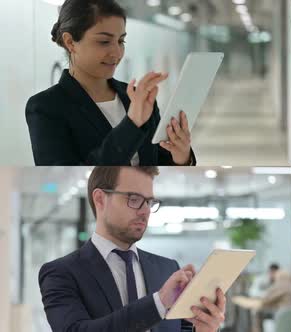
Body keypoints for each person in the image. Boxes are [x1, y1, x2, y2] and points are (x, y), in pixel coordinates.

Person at [38, 167, 224, 332]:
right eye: (134, 199)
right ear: (100, 199)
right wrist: (158, 303)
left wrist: (205, 329)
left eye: (149, 202)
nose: (145, 211)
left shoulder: (167, 269)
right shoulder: (61, 273)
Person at [26, 0, 196, 166]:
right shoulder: (45, 107)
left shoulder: (138, 99)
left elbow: (158, 163)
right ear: (70, 42)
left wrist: (181, 158)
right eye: (104, 42)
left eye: (121, 41)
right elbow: (71, 176)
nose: (117, 52)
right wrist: (132, 124)